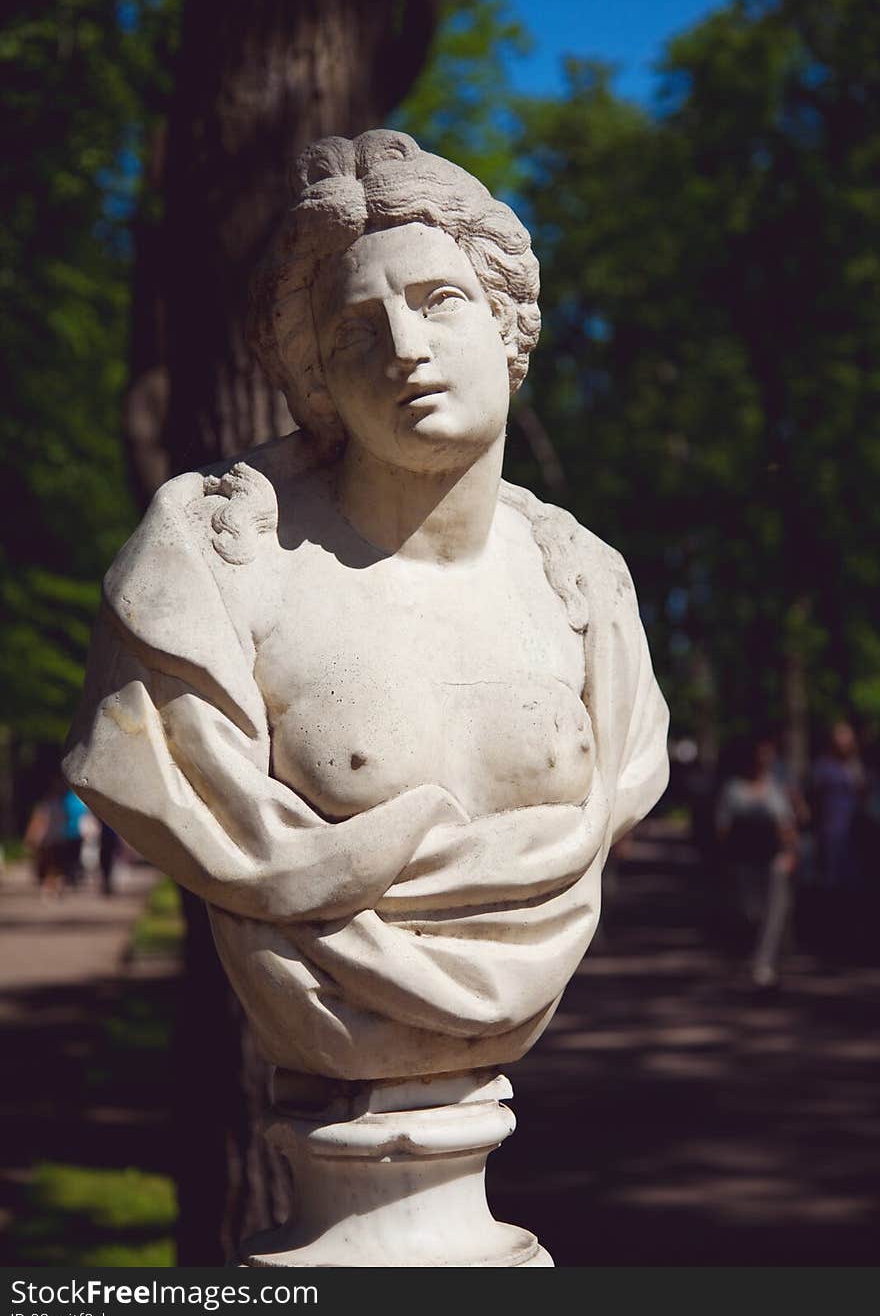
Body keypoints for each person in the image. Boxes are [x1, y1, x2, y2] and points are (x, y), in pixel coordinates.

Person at [63, 130, 669, 1082]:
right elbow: (149, 778)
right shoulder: (212, 564)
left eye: (440, 302)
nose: (405, 350)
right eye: (356, 330)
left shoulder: (586, 584)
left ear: (508, 325)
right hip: (320, 1025)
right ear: (320, 383)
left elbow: (628, 782)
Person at [716, 736, 798, 988]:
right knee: (750, 912)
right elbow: (722, 828)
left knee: (774, 913)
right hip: (744, 861)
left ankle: (764, 963)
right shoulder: (734, 790)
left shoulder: (776, 789)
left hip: (772, 860)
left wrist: (790, 853)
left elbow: (787, 825)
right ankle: (743, 956)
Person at [811, 720, 865, 889]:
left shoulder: (855, 766)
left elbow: (863, 795)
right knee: (831, 880)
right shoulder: (823, 767)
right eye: (840, 735)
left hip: (854, 832)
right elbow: (813, 798)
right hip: (830, 832)